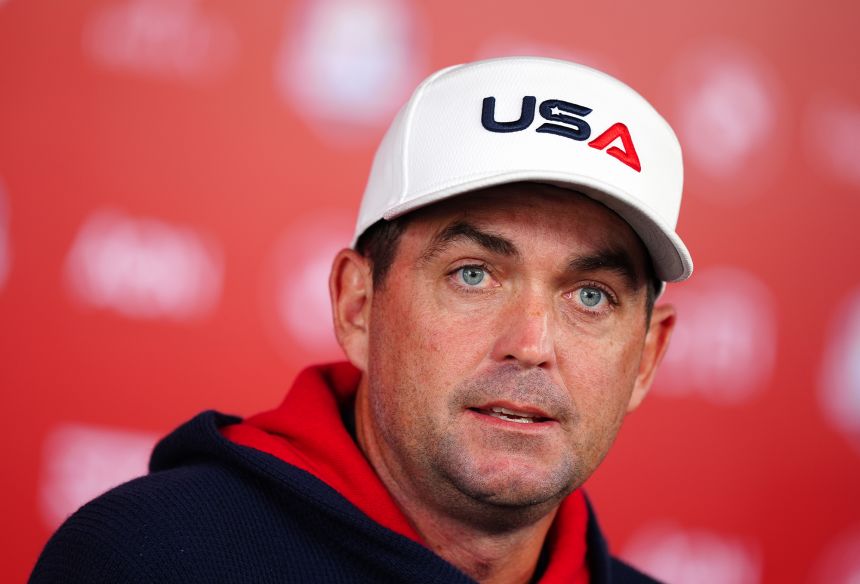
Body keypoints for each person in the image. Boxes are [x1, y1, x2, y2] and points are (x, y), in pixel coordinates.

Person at [30, 56, 692, 583]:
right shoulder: (140, 559)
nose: (531, 343)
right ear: (357, 306)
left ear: (645, 359)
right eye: (473, 274)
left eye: (591, 296)